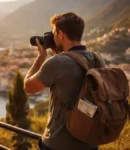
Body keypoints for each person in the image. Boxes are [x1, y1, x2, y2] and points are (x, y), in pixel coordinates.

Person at [24, 12, 99, 150]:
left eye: (54, 34)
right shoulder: (97, 58)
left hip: (57, 144)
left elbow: (28, 87)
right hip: (90, 144)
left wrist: (41, 57)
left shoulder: (56, 63)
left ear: (61, 35)